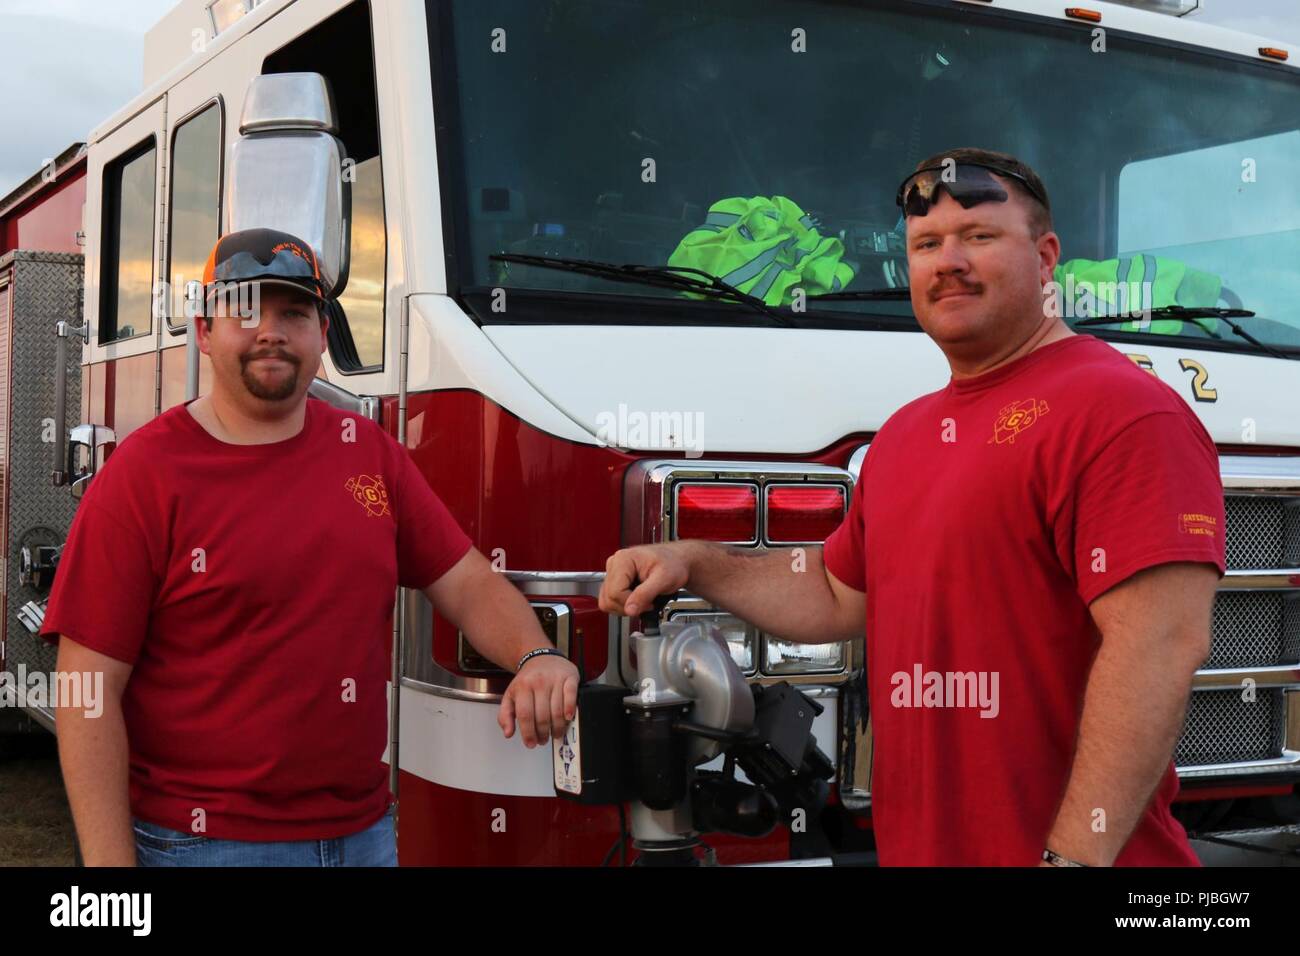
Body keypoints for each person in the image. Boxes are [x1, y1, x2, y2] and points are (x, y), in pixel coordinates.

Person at [599, 148, 1226, 866]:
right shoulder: (906, 434)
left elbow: (1159, 645)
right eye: (926, 245)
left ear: (1046, 256)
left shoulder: (1122, 412)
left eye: (980, 237)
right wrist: (693, 562)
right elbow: (837, 593)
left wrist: (1075, 858)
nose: (948, 262)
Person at [43, 227, 578, 866]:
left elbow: (466, 580)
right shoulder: (143, 475)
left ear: (321, 335)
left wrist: (535, 653)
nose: (270, 331)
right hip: (205, 845)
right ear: (205, 332)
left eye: (294, 313)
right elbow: (86, 689)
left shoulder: (370, 454)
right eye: (244, 311)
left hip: (362, 837)